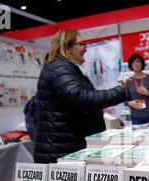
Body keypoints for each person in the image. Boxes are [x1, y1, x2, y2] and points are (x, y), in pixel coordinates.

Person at [34, 29, 134, 163]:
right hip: (60, 149)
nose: (85, 49)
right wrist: (119, 92)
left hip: (65, 145)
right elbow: (81, 98)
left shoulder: (65, 68)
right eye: (81, 44)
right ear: (68, 47)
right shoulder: (59, 68)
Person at [125, 54, 149, 124]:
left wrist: (147, 93)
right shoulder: (129, 81)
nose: (136, 64)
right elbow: (124, 100)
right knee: (139, 135)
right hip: (136, 117)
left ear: (142, 64)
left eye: (138, 61)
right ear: (130, 65)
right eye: (133, 62)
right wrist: (129, 103)